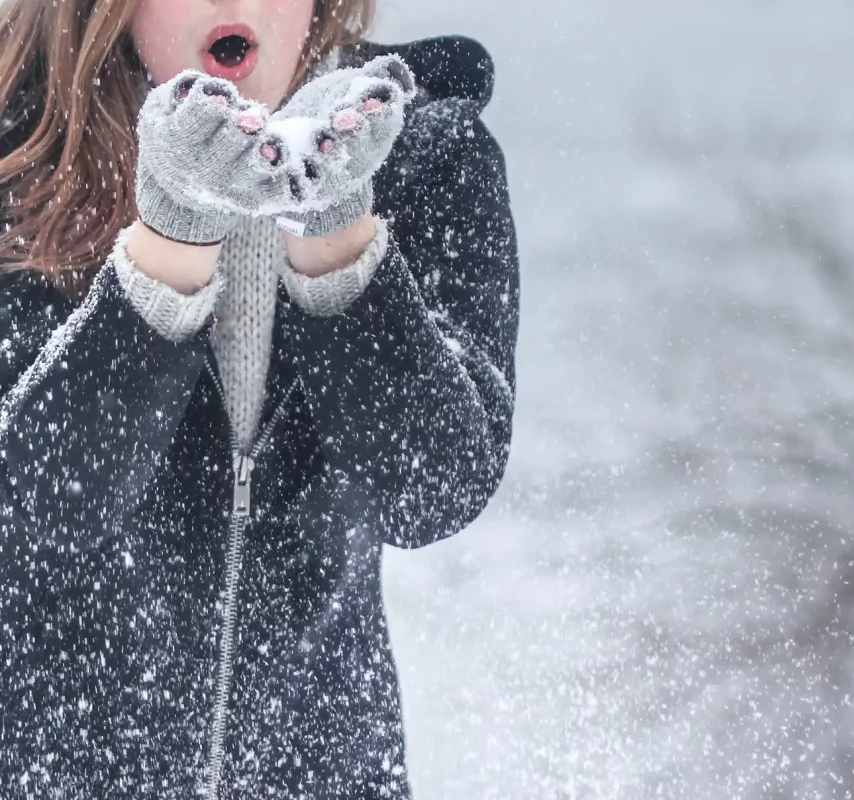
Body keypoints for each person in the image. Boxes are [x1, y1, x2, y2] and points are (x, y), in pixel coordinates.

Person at [0, 0, 519, 796]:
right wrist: (172, 240)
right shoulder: (21, 158)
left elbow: (432, 489)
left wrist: (337, 239)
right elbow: (36, 502)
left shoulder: (423, 156)